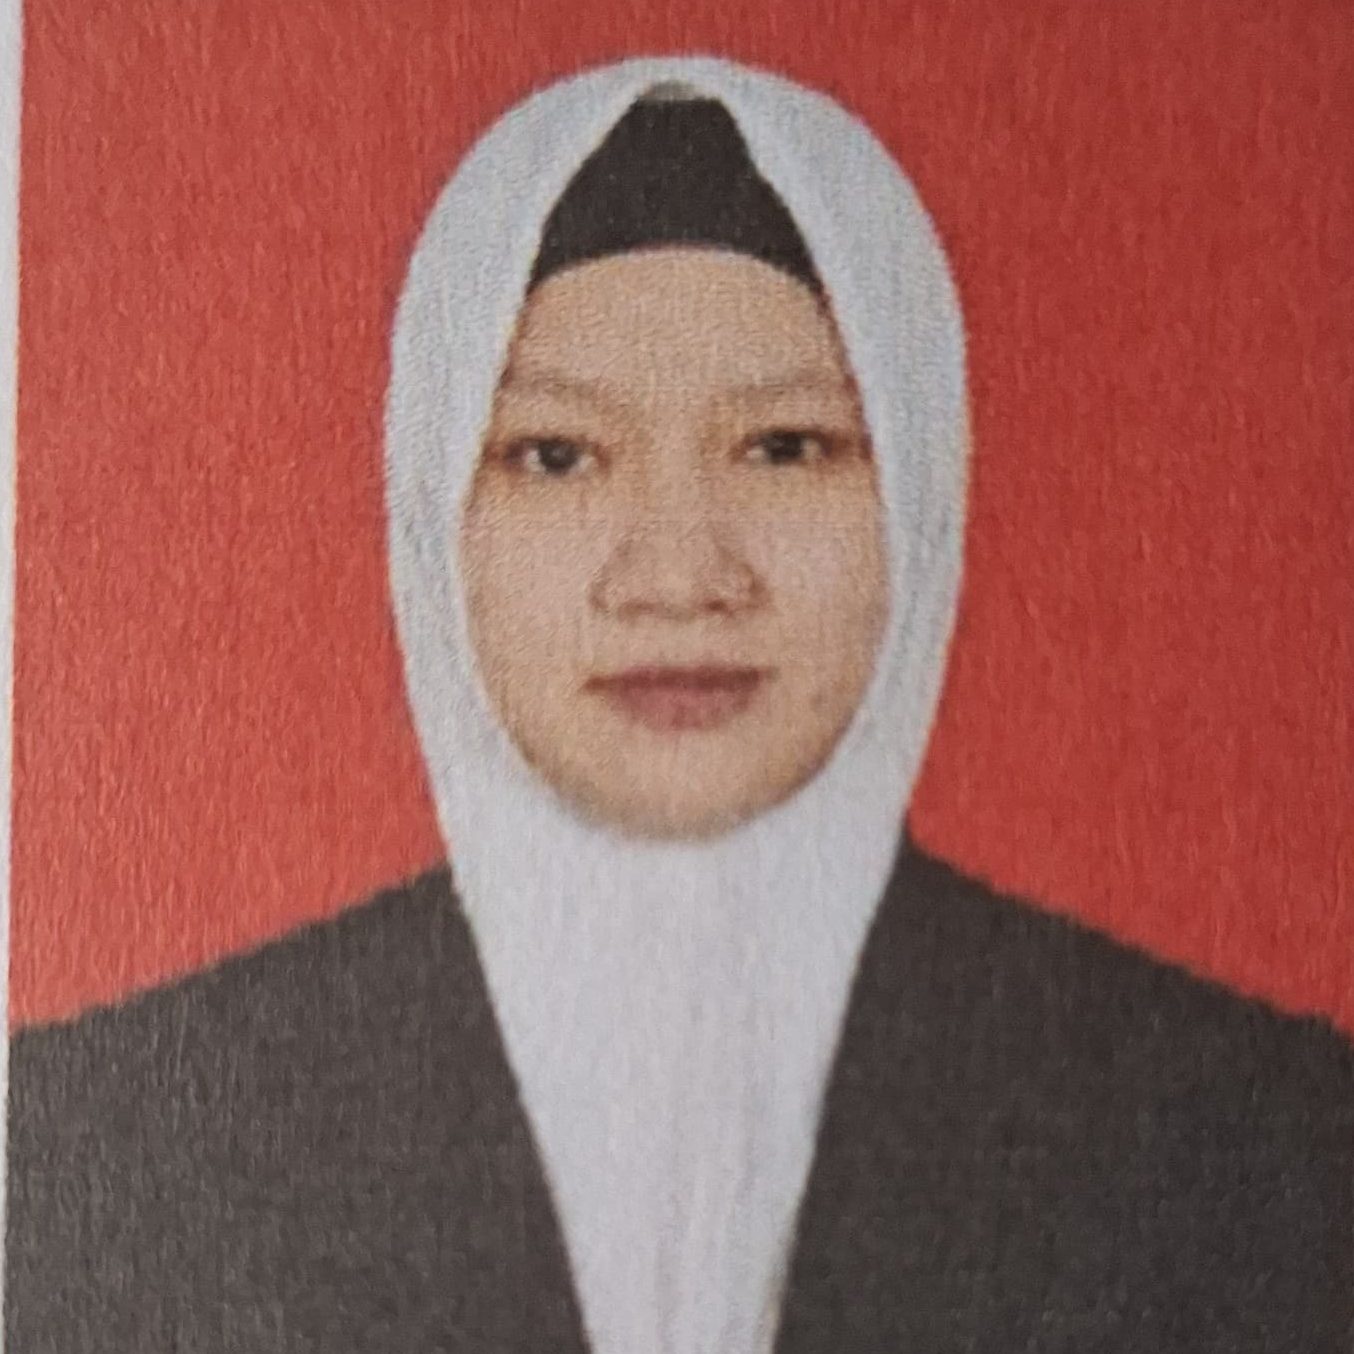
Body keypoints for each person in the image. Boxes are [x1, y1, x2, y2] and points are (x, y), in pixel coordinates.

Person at [6, 55, 1352, 1354]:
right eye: (555, 455)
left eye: (784, 447)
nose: (678, 575)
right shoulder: (99, 1127)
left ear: (920, 489)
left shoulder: (1254, 1127)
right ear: (431, 512)